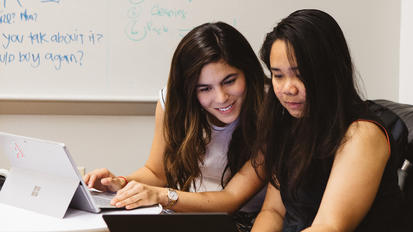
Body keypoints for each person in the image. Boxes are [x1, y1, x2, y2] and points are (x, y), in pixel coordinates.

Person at [84, 22, 267, 231]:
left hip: (247, 220)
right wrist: (120, 183)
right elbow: (156, 173)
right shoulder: (173, 102)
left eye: (229, 81)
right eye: (205, 88)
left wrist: (162, 195)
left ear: (247, 72)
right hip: (186, 211)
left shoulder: (271, 107)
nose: (221, 97)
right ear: (188, 91)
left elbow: (231, 199)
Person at [251, 9, 408, 232]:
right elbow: (273, 211)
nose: (288, 88)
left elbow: (329, 226)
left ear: (330, 71)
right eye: (278, 75)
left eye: (300, 74)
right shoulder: (289, 122)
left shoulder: (362, 133)